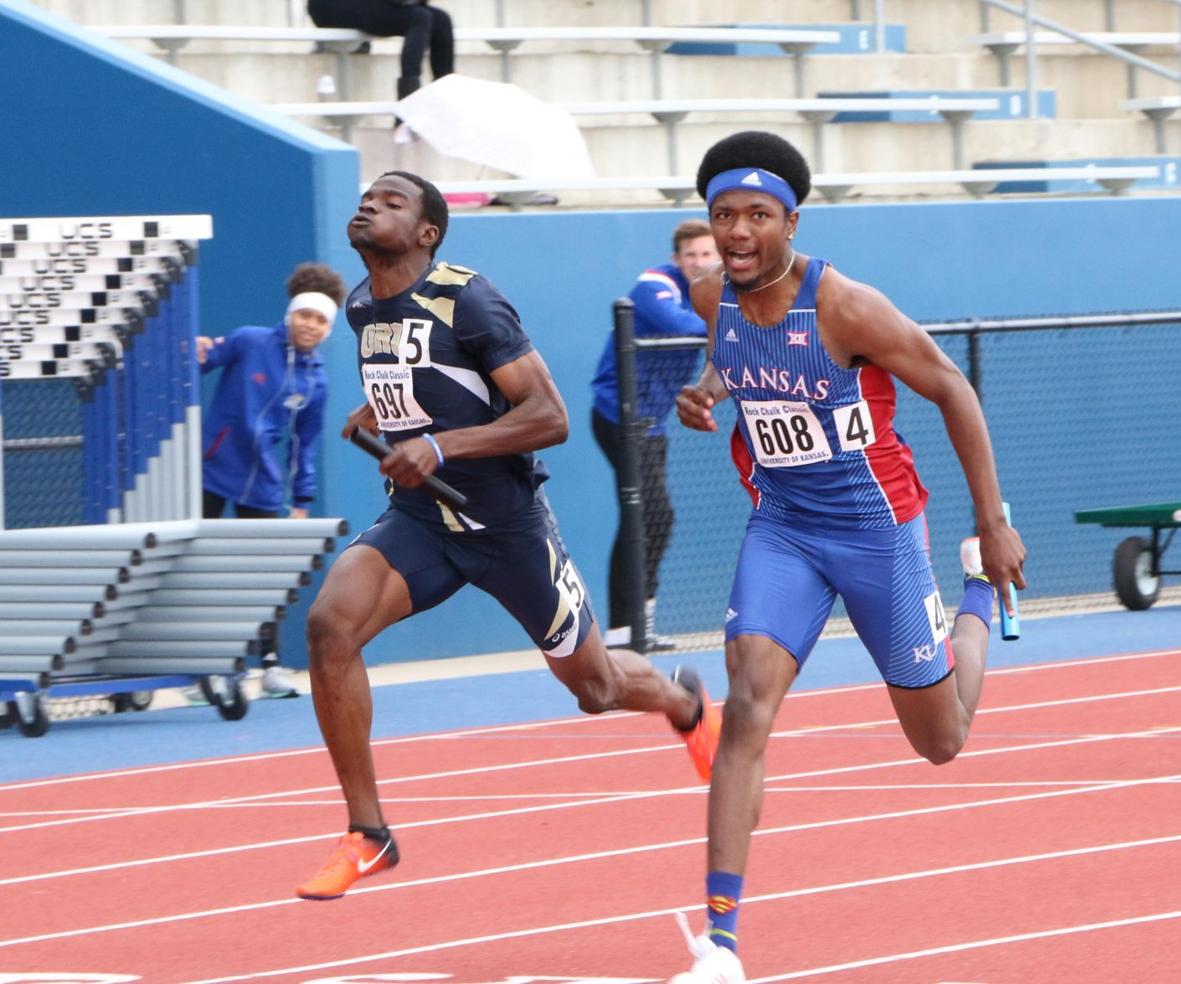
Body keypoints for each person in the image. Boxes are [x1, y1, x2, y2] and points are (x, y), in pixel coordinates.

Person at [294, 170, 720, 902]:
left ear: (427, 233)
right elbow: (435, 379)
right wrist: (384, 410)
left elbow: (547, 416)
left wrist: (441, 446)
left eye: (391, 201)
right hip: (424, 519)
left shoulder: (468, 296)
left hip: (507, 525)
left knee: (596, 687)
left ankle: (685, 705)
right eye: (367, 195)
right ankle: (370, 834)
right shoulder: (364, 304)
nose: (369, 203)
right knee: (330, 626)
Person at [667, 132, 1027, 983]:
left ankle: (972, 594)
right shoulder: (712, 294)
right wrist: (711, 391)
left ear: (792, 220)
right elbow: (740, 359)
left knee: (940, 742)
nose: (739, 230)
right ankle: (721, 944)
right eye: (724, 215)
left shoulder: (846, 307)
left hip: (878, 533)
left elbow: (952, 388)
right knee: (747, 708)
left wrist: (991, 522)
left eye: (758, 215)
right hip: (784, 530)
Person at [197, 261, 347, 697]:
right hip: (211, 469)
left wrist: (302, 499)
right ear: (290, 314)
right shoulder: (249, 341)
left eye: (321, 320)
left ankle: (269, 665)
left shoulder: (316, 380)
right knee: (203, 567)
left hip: (263, 482)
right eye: (305, 315)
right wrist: (197, 348)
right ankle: (205, 667)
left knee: (262, 574)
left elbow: (305, 443)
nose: (311, 325)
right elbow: (199, 361)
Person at [590, 220, 719, 650]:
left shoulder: (719, 290)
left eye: (707, 254)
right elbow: (682, 325)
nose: (699, 262)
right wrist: (732, 318)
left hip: (654, 423)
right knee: (647, 514)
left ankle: (638, 626)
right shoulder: (653, 285)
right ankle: (624, 632)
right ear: (677, 259)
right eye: (692, 255)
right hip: (619, 417)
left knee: (652, 518)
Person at [306, 0, 454, 101]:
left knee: (441, 20)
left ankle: (444, 97)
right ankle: (409, 103)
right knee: (419, 17)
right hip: (330, 6)